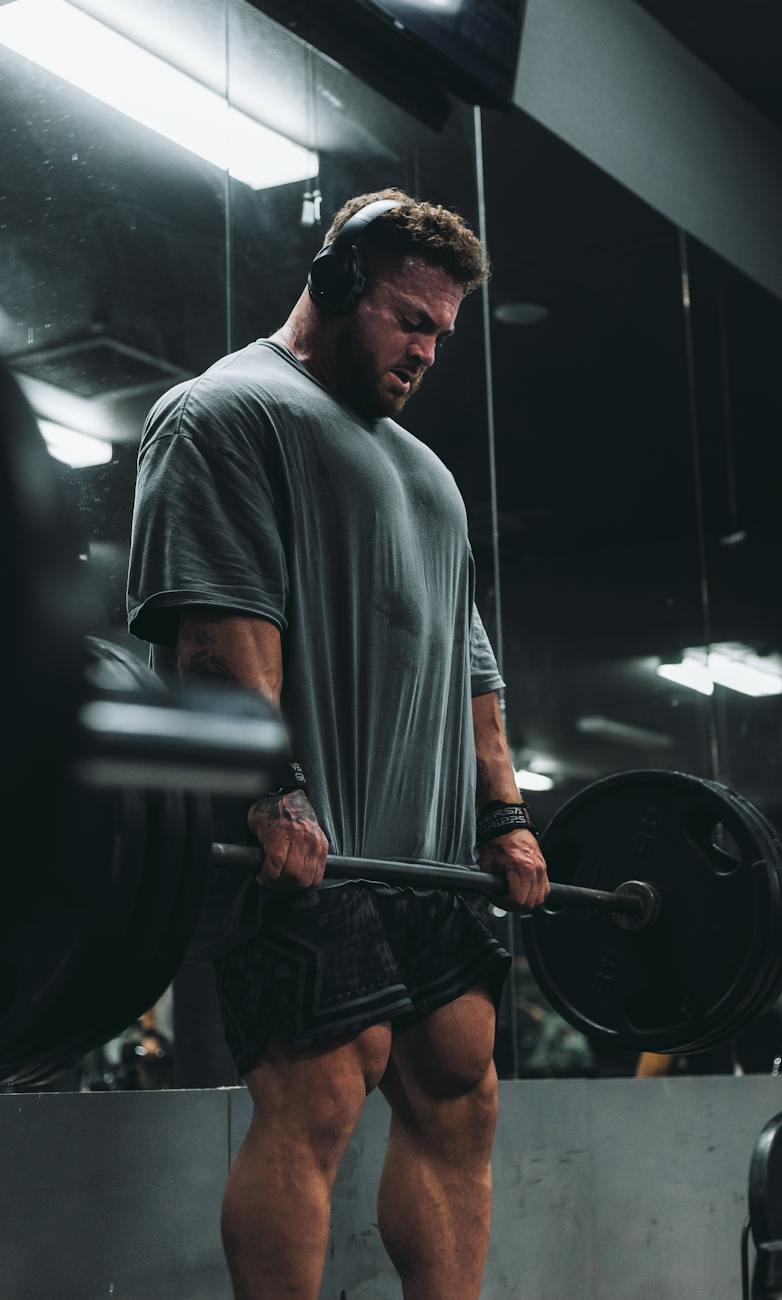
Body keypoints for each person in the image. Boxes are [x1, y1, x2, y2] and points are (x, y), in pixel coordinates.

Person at [127, 189, 549, 1300]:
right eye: (408, 318)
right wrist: (273, 789)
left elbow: (473, 667)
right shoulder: (224, 411)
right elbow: (217, 631)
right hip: (302, 836)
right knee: (321, 1091)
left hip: (423, 854)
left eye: (440, 334)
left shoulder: (430, 476)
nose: (424, 349)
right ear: (331, 282)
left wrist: (502, 815)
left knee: (462, 1084)